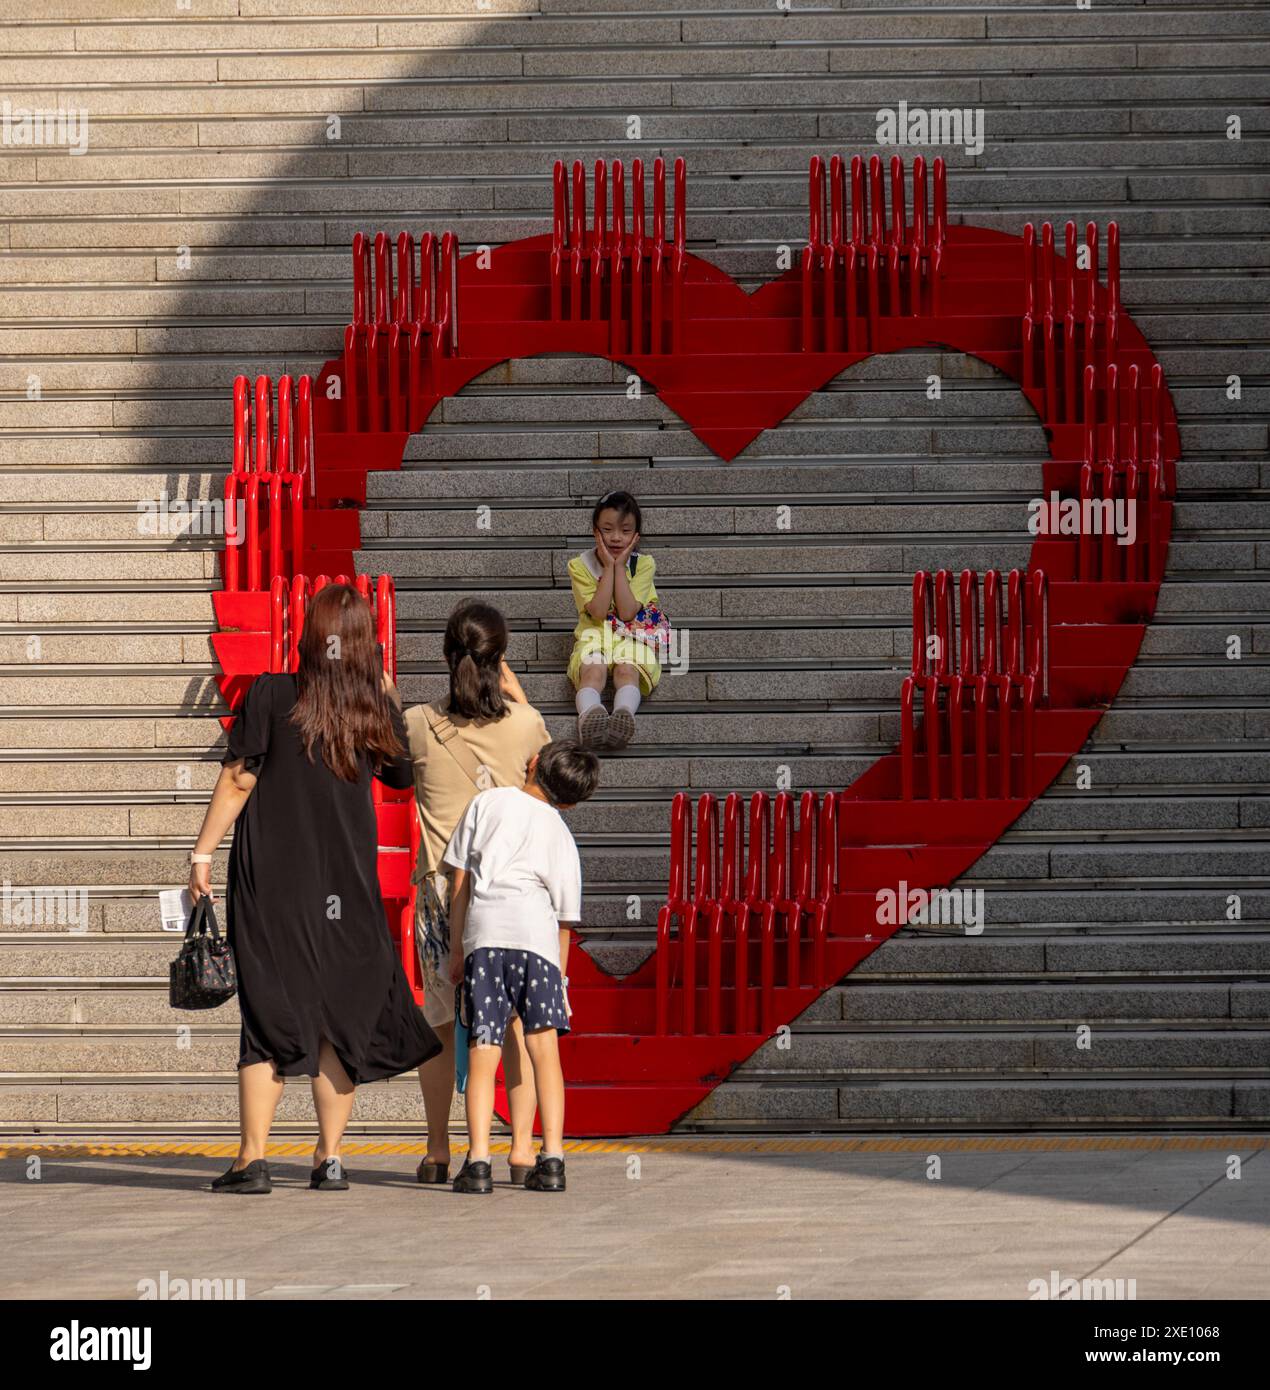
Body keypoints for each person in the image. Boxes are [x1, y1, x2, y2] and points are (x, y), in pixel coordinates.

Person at [188, 582, 439, 1195]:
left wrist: (201, 851)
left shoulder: (272, 694)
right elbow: (405, 776)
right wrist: (385, 690)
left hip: (272, 885)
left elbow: (239, 779)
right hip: (345, 890)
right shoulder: (368, 711)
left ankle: (253, 1160)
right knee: (335, 1021)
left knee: (268, 1014)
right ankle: (329, 1159)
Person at [405, 600, 552, 1186]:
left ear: (448, 657)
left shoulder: (416, 723)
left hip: (442, 895)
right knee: (514, 1023)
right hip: (509, 898)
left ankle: (441, 1150)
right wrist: (515, 695)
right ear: (501, 659)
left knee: (443, 1023)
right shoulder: (527, 725)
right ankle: (519, 1150)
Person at [445, 740, 600, 1194]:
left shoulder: (487, 801)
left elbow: (460, 878)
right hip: (537, 943)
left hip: (486, 938)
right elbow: (566, 921)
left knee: (483, 1052)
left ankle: (477, 1163)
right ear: (570, 801)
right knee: (544, 1054)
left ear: (532, 763)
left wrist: (458, 949)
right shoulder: (562, 834)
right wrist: (561, 980)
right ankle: (551, 1158)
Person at [567, 490, 663, 750]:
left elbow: (627, 612)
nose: (616, 537)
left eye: (625, 530)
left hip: (631, 634)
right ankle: (589, 717)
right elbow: (597, 612)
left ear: (636, 535)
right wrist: (609, 567)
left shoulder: (644, 564)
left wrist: (619, 567)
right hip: (595, 633)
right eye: (607, 529)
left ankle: (623, 716)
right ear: (595, 531)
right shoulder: (579, 565)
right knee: (593, 670)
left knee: (625, 669)